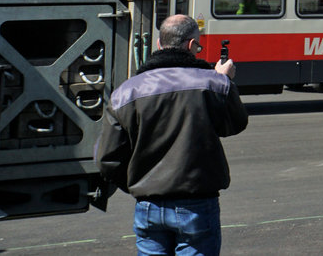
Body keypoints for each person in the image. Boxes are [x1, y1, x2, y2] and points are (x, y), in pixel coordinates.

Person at [94, 14, 248, 256]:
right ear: (191, 46)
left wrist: (140, 184)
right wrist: (224, 81)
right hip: (197, 203)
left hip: (147, 204)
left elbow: (107, 159)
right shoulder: (213, 84)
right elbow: (234, 125)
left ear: (158, 45)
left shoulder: (126, 93)